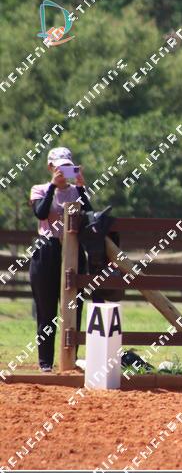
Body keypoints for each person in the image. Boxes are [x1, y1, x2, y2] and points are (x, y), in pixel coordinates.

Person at [29, 147, 91, 372]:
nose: (63, 172)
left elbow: (90, 217)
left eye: (67, 167)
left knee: (74, 308)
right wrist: (53, 187)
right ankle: (45, 363)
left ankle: (70, 359)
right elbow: (41, 213)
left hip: (74, 250)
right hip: (47, 249)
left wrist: (81, 188)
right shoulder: (39, 189)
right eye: (59, 167)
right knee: (46, 310)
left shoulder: (78, 191)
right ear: (50, 167)